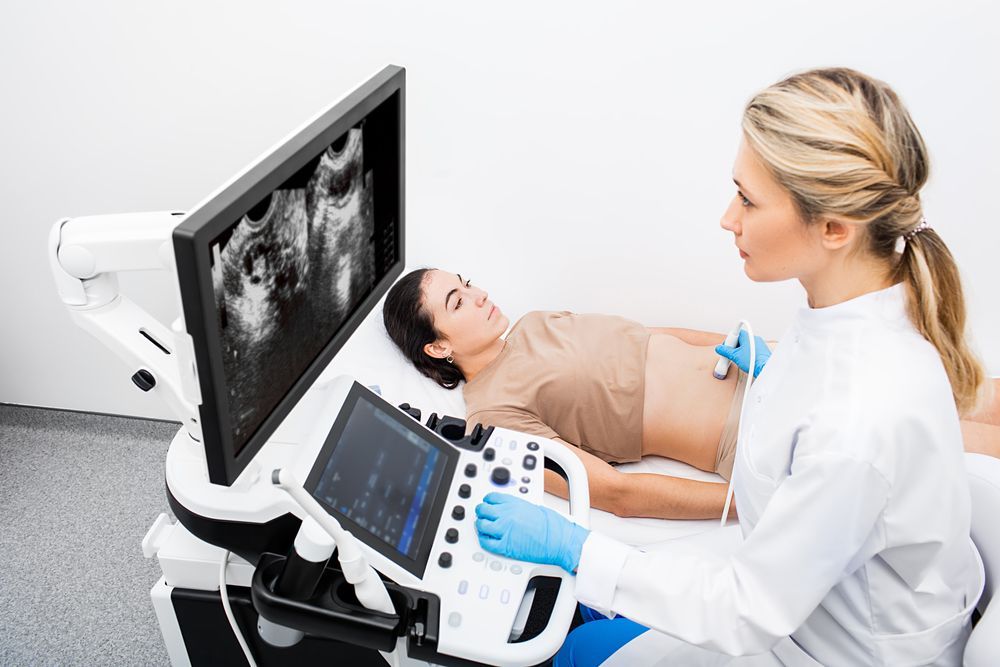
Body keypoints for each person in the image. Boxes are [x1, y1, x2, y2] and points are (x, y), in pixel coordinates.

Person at [473, 67, 993, 665]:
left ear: (834, 227)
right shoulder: (853, 315)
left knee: (575, 652)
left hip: (840, 648)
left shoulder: (858, 418)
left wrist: (576, 547)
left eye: (748, 198)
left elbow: (745, 613)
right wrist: (775, 381)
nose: (728, 218)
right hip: (814, 595)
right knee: (586, 624)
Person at [384, 267, 773, 520]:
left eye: (466, 284)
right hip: (747, 429)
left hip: (767, 366)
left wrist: (764, 350)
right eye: (458, 302)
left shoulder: (533, 322)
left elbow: (654, 336)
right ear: (437, 347)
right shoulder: (492, 418)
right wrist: (744, 504)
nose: (480, 294)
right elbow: (616, 494)